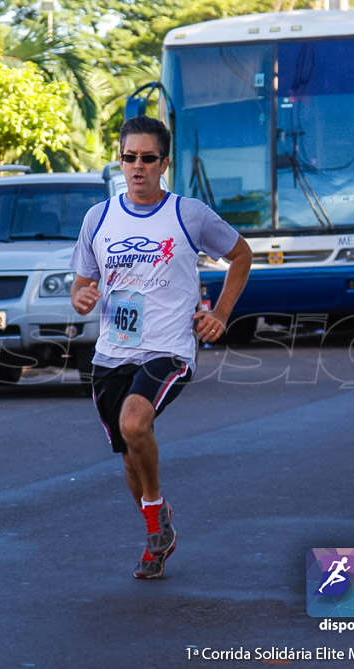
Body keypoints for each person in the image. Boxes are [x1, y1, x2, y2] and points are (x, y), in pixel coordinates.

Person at [70, 116, 252, 578]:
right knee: (131, 455)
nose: (137, 167)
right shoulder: (99, 218)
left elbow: (241, 255)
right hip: (113, 352)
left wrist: (220, 315)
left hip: (168, 348)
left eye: (148, 159)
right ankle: (158, 528)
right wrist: (82, 296)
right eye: (129, 157)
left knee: (135, 422)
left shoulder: (188, 215)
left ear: (164, 163)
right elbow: (81, 283)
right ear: (120, 158)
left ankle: (155, 513)